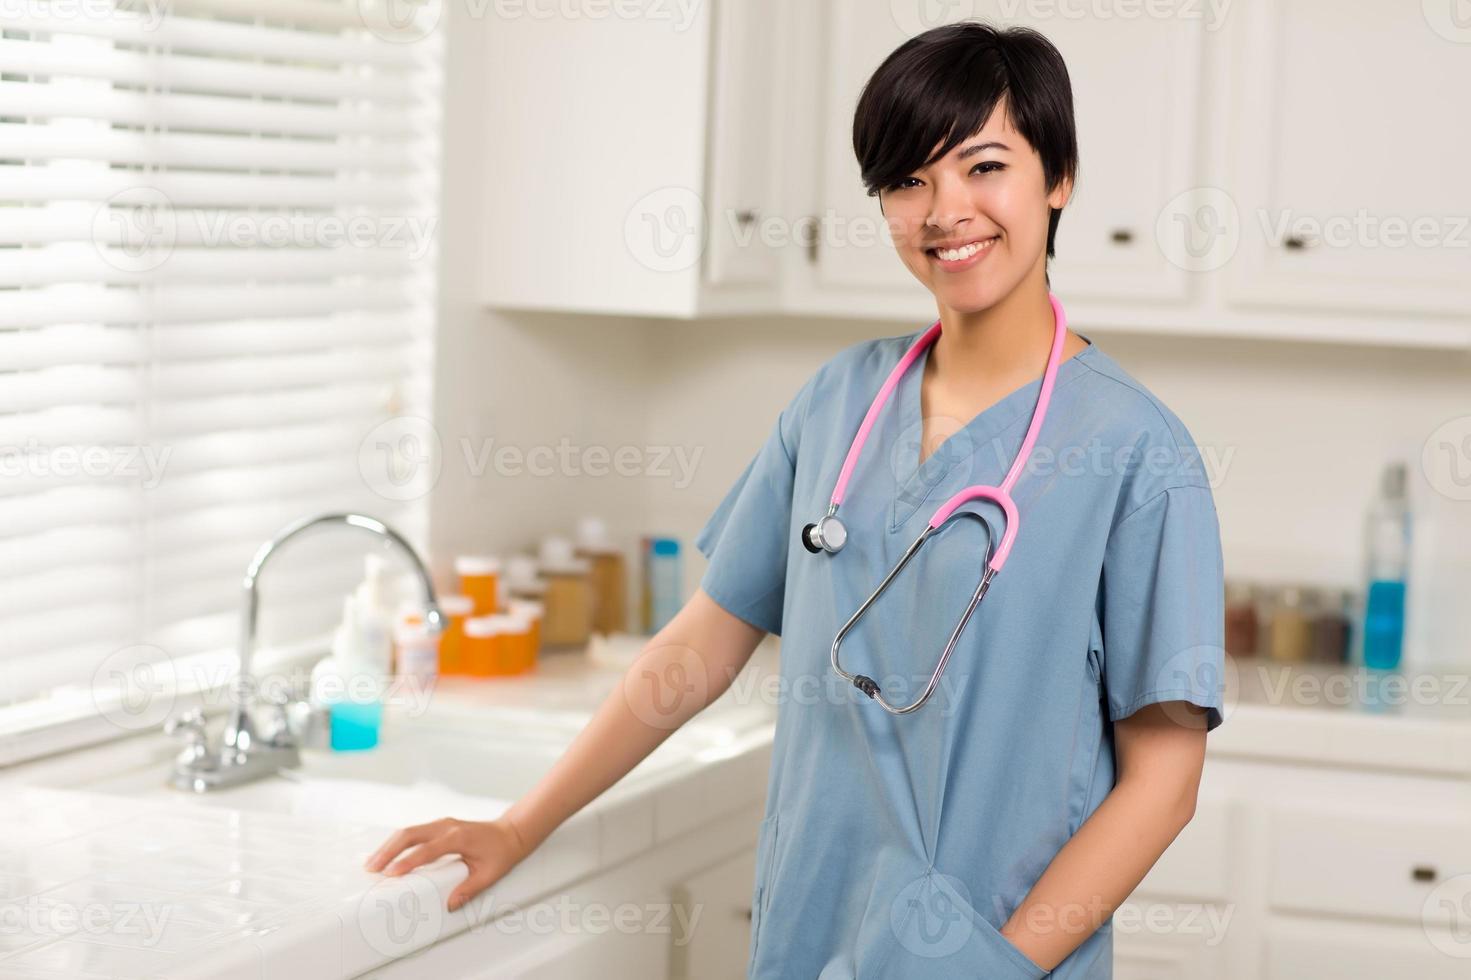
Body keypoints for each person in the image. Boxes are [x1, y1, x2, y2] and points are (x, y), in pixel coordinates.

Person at [366, 21, 1226, 979]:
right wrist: (521, 826)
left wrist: (998, 969)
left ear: (1056, 177)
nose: (945, 210)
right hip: (810, 935)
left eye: (984, 167)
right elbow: (698, 647)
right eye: (907, 180)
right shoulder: (838, 403)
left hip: (994, 955)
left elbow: (1163, 781)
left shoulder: (1138, 452)